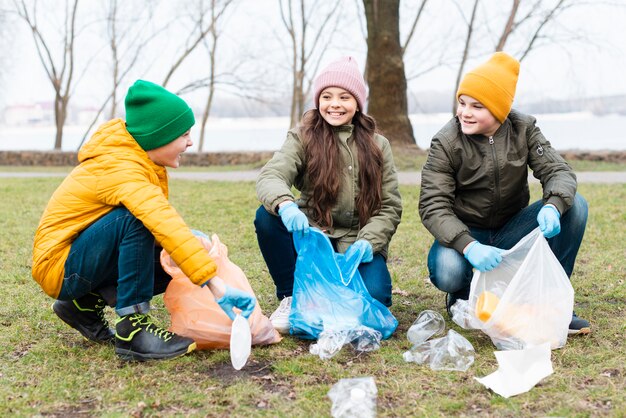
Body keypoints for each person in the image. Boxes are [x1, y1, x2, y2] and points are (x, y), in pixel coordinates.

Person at [32, 80, 257, 361]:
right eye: (184, 134)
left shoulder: (138, 160)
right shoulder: (120, 167)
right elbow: (157, 218)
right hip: (60, 267)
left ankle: (81, 305)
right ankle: (133, 331)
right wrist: (214, 283)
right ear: (158, 136)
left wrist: (192, 245)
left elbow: (160, 224)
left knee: (169, 261)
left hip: (80, 260)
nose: (190, 142)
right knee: (137, 220)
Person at [418, 52, 590, 335]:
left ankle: (552, 302)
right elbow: (432, 205)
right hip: (467, 233)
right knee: (447, 270)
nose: (464, 112)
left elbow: (559, 171)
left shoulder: (524, 128)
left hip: (513, 227)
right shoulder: (446, 141)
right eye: (462, 103)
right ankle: (463, 297)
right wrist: (469, 246)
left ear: (499, 110)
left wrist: (553, 206)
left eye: (477, 106)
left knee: (576, 206)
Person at [254, 56, 403, 334]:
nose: (334, 104)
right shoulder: (302, 137)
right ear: (318, 100)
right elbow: (270, 176)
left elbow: (390, 206)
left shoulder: (378, 145)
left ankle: (327, 288)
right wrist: (286, 205)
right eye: (327, 96)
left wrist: (370, 242)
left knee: (376, 298)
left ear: (358, 103)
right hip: (312, 236)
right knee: (266, 217)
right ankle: (290, 296)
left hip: (357, 242)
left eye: (344, 96)